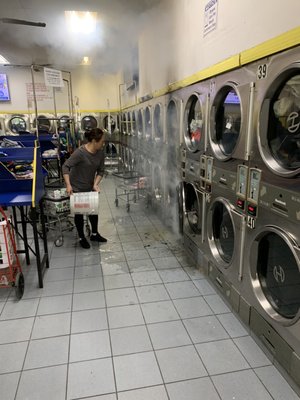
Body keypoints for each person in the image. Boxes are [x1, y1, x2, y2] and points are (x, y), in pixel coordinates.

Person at [62, 127, 107, 249]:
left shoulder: (100, 153)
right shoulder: (80, 153)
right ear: (94, 140)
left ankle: (94, 234)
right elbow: (65, 167)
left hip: (89, 185)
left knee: (93, 210)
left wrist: (95, 184)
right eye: (102, 141)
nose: (103, 143)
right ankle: (81, 237)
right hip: (76, 187)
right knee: (79, 213)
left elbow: (101, 171)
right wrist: (68, 185)